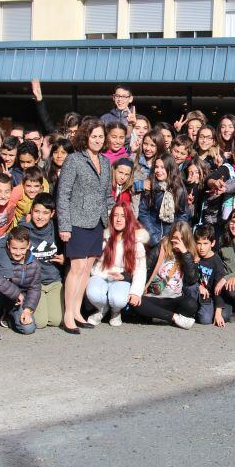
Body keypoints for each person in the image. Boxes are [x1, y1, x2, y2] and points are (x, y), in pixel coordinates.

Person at [57, 118, 112, 334]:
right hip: (77, 220)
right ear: (85, 137)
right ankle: (68, 315)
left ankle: (78, 311)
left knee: (87, 269)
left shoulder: (106, 162)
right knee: (76, 268)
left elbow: (107, 193)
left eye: (100, 136)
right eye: (94, 136)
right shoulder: (73, 160)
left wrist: (109, 213)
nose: (98, 140)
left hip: (98, 221)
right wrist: (64, 225)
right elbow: (63, 194)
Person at [86, 201, 148, 327]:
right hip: (100, 275)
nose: (119, 220)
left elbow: (140, 270)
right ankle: (101, 310)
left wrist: (136, 292)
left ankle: (115, 311)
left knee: (118, 300)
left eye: (123, 216)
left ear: (128, 219)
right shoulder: (103, 237)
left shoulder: (136, 242)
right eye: (115, 215)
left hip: (121, 278)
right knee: (93, 293)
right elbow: (92, 262)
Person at [130, 220, 198, 330]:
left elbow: (192, 279)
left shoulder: (188, 254)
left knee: (191, 305)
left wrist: (185, 254)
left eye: (181, 239)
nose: (177, 242)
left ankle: (157, 315)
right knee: (135, 303)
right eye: (175, 238)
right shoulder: (161, 249)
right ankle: (174, 318)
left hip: (175, 298)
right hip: (155, 297)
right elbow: (145, 270)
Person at [0, 226, 41, 339]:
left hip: (18, 301)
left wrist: (28, 310)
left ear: (28, 246)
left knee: (28, 328)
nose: (18, 253)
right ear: (8, 245)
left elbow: (34, 288)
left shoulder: (34, 264)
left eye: (22, 248)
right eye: (14, 248)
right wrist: (15, 293)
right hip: (2, 296)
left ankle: (9, 316)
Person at [138, 153, 189, 248]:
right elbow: (143, 212)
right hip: (152, 235)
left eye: (163, 167)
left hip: (170, 237)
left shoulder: (178, 189)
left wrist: (170, 235)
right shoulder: (151, 186)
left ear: (170, 169)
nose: (159, 171)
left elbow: (183, 214)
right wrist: (154, 237)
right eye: (156, 167)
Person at [193, 225, 229, 327]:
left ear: (212, 243)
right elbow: (187, 277)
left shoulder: (216, 261)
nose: (201, 247)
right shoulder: (193, 256)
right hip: (194, 290)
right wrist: (198, 286)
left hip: (208, 295)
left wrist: (218, 313)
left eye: (205, 243)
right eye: (198, 243)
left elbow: (218, 288)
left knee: (206, 319)